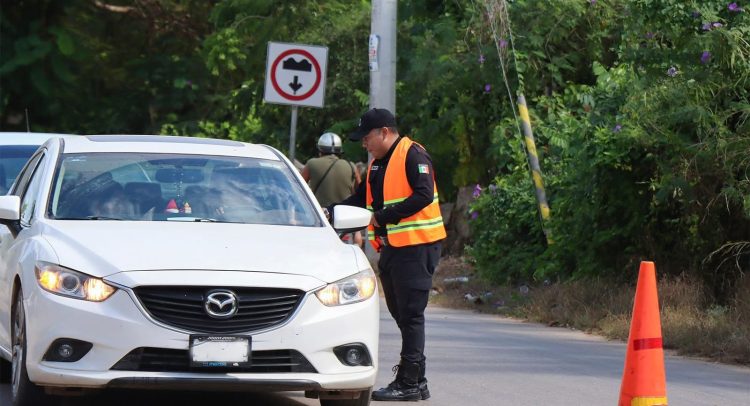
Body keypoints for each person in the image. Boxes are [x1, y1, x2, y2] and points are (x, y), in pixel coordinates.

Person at [333, 108, 446, 401]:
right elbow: (361, 199)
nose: (364, 143)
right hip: (393, 248)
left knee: (411, 314)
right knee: (400, 313)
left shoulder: (413, 154)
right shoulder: (376, 165)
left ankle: (409, 382)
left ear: (384, 132)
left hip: (418, 246)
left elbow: (423, 194)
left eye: (367, 137)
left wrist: (384, 217)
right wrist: (329, 212)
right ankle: (417, 379)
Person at [302, 132, 363, 247]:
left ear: (320, 150)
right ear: (340, 151)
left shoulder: (311, 164)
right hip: (345, 223)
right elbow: (360, 194)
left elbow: (299, 189)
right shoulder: (351, 166)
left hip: (320, 220)